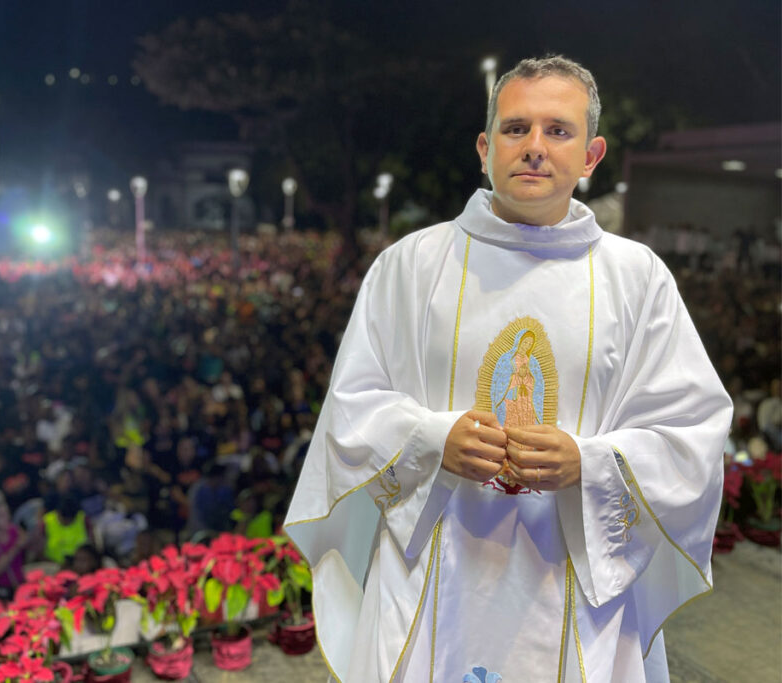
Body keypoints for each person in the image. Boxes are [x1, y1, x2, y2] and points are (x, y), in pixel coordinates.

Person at [285, 55, 732, 682]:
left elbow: (693, 431)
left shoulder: (638, 279)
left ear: (592, 155)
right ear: (484, 146)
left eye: (558, 130)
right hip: (431, 570)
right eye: (516, 128)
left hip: (576, 581)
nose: (534, 148)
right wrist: (436, 440)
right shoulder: (411, 265)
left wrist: (590, 461)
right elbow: (352, 407)